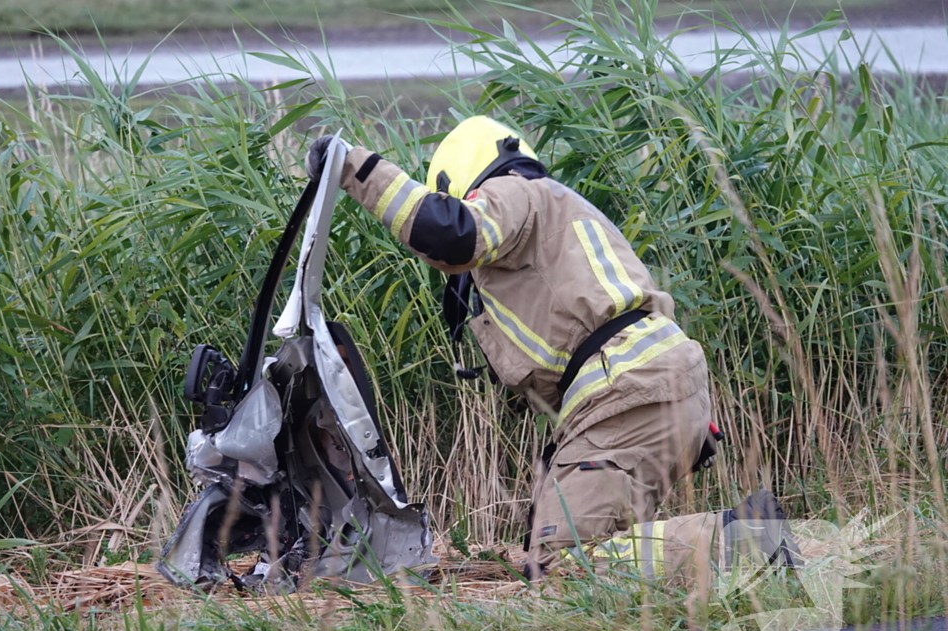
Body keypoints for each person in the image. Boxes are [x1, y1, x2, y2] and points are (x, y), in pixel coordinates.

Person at [306, 117, 798, 580]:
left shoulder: (514, 193)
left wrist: (354, 167)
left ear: (464, 185)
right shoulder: (558, 213)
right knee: (588, 550)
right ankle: (739, 543)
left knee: (563, 565)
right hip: (650, 385)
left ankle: (743, 540)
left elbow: (450, 234)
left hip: (626, 389)